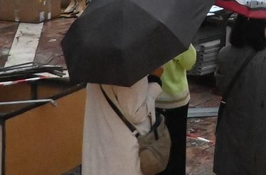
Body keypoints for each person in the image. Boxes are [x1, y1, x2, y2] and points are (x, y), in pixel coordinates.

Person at [214, 15, 266, 175]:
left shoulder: (224, 54)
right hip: (265, 134)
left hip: (232, 129)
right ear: (262, 29)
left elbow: (221, 86)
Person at [83, 66, 161, 175]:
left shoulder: (95, 64)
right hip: (123, 149)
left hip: (99, 140)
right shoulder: (132, 67)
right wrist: (155, 83)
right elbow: (136, 113)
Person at [155, 46, 198, 175]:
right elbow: (190, 62)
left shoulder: (145, 37)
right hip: (176, 100)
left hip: (153, 98)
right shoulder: (175, 39)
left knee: (156, 142)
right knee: (177, 147)